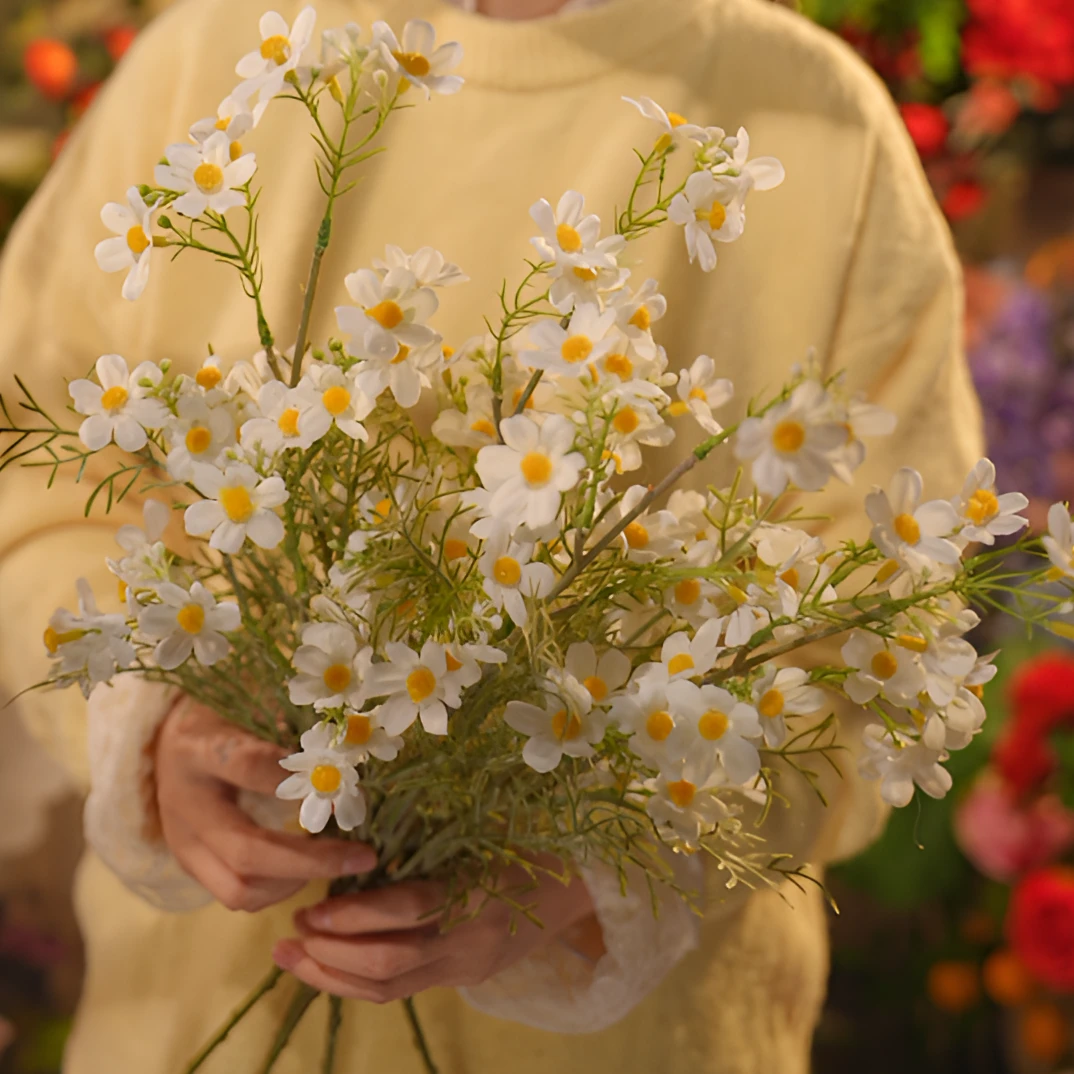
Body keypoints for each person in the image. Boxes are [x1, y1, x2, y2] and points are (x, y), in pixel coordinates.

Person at [0, 0, 983, 1069]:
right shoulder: (214, 52)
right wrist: (151, 725)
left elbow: (882, 636)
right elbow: (31, 473)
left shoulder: (814, 127)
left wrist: (612, 863)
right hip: (197, 1014)